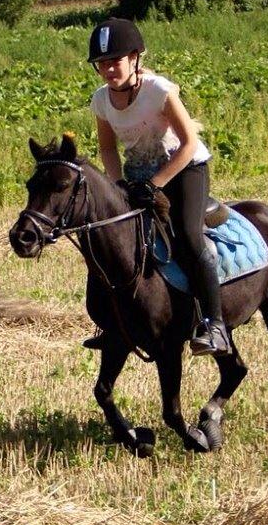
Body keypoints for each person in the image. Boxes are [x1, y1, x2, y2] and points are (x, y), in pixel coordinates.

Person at [84, 18, 230, 356]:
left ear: (135, 58)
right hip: (138, 178)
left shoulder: (159, 91)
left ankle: (215, 324)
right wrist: (118, 184)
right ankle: (111, 322)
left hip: (183, 170)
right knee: (111, 242)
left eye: (114, 61)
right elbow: (107, 148)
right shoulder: (102, 100)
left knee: (188, 237)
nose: (108, 69)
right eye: (102, 63)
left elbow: (189, 143)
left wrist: (156, 184)